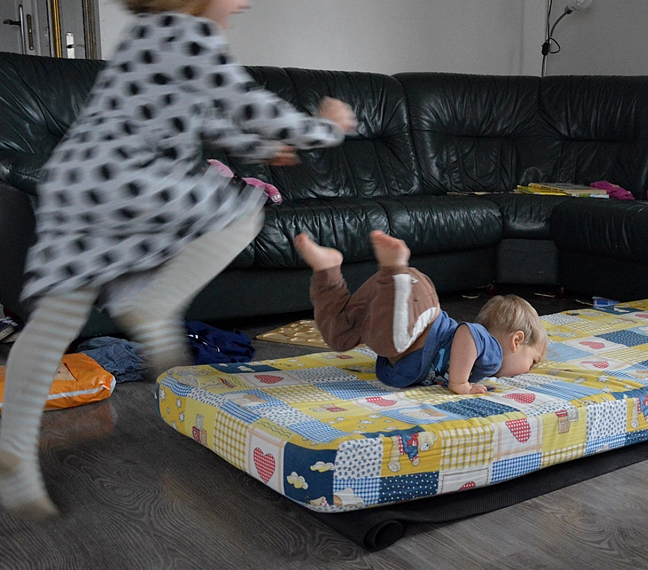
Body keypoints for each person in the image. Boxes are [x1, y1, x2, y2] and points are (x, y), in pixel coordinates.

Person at [0, 0, 357, 521]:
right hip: (128, 180)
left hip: (74, 182)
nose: (243, 3)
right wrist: (325, 128)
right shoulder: (193, 34)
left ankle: (12, 451)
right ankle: (153, 303)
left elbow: (203, 116)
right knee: (244, 209)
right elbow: (248, 103)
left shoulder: (146, 34)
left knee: (56, 319)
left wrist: (260, 148)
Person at [294, 230, 548, 396]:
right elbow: (468, 333)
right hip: (418, 303)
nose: (530, 369)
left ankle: (327, 272)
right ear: (516, 341)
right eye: (533, 361)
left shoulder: (475, 360)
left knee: (341, 334)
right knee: (392, 341)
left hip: (396, 303)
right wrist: (459, 383)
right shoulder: (491, 353)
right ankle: (394, 268)